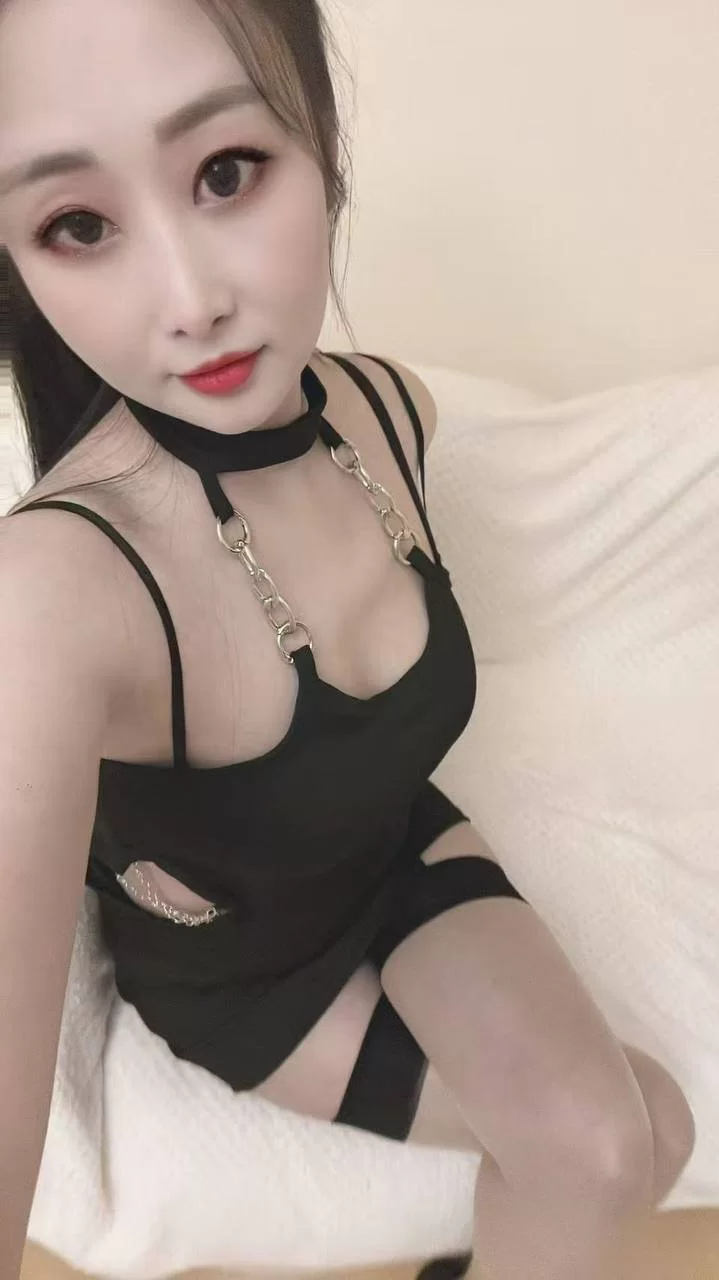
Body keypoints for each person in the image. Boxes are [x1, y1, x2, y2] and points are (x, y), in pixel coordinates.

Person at [0, 2, 696, 1277]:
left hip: (390, 846)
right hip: (253, 975)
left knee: (635, 1135)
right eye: (78, 225)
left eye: (226, 169)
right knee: (611, 1144)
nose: (192, 301)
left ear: (323, 140)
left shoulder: (387, 410)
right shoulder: (52, 594)